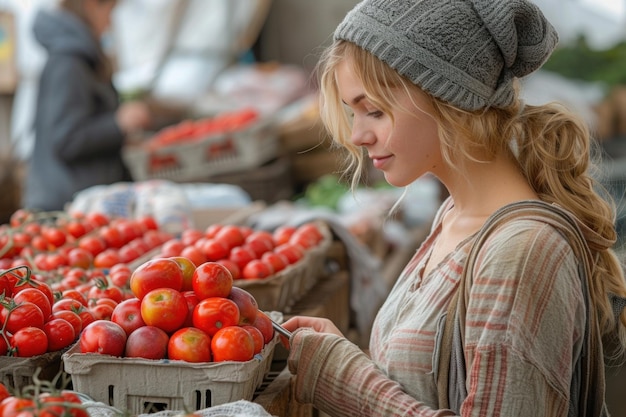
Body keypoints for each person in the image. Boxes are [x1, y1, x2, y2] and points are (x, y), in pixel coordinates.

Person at [281, 0, 626, 416]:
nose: (357, 135)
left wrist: (346, 381)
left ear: (445, 96)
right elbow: (426, 388)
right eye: (353, 111)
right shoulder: (453, 218)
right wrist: (344, 358)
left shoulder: (520, 251)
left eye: (374, 110)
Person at [22, 0, 152, 211]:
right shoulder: (70, 63)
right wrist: (118, 124)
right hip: (66, 206)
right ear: (91, 5)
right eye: (109, 12)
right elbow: (66, 138)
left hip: (78, 203)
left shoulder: (79, 59)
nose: (110, 23)